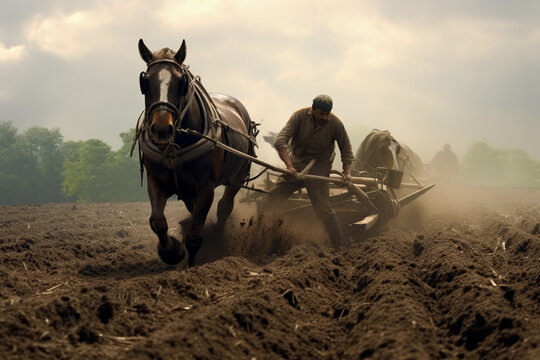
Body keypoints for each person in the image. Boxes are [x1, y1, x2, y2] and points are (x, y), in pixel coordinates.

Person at [267, 94, 354, 248]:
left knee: (324, 210)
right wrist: (289, 166)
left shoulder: (335, 124)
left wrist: (347, 173)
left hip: (319, 168)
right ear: (313, 109)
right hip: (297, 163)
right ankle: (266, 236)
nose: (325, 117)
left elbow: (346, 151)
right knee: (273, 196)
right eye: (321, 113)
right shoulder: (299, 116)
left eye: (327, 114)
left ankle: (338, 245)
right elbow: (281, 141)